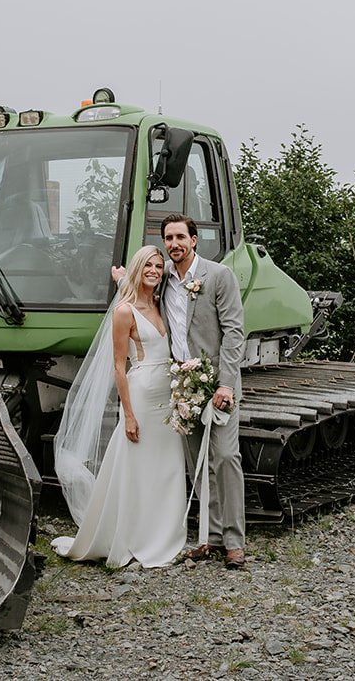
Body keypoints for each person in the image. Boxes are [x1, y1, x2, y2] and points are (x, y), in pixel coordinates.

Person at [51, 245, 186, 568]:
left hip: (167, 399)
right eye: (148, 266)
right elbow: (118, 366)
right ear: (139, 268)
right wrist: (128, 414)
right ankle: (132, 535)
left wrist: (123, 278)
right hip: (141, 396)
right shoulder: (124, 312)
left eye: (158, 265)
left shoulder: (159, 303)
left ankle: (164, 533)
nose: (154, 270)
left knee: (166, 466)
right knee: (137, 467)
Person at [160, 212, 249, 569]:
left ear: (194, 239)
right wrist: (122, 279)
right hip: (183, 384)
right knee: (196, 464)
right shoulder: (163, 277)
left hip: (217, 383)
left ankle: (234, 541)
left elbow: (234, 332)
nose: (174, 244)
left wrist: (225, 383)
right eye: (168, 238)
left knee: (226, 458)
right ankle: (209, 538)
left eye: (180, 237)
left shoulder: (218, 275)